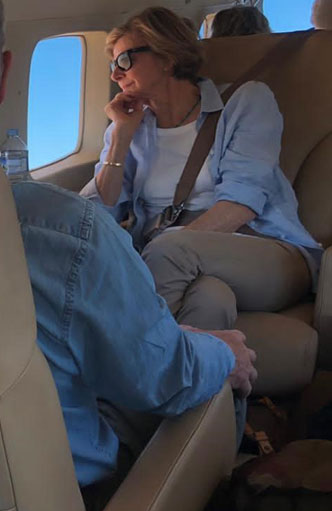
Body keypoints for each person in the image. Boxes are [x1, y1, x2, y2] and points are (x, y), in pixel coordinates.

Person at [0, 0, 256, 511]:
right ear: (3, 79)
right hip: (54, 505)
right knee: (213, 371)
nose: (117, 74)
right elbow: (164, 379)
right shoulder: (63, 230)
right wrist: (222, 355)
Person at [81, 7, 321, 333]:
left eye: (124, 60)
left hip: (265, 251)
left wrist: (164, 248)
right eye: (113, 65)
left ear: (166, 57)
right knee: (211, 300)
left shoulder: (245, 102)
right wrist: (121, 137)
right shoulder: (130, 126)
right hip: (187, 263)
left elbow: (241, 203)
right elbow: (97, 210)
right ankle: (204, 367)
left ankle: (131, 354)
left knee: (170, 250)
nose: (115, 75)